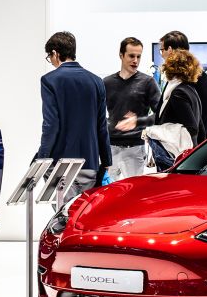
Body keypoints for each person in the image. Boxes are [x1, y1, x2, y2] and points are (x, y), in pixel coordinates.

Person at [36, 32, 112, 200]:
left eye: (50, 57)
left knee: (64, 217)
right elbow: (101, 125)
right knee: (83, 216)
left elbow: (51, 125)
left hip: (60, 163)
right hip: (90, 162)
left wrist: (41, 159)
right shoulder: (96, 81)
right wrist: (106, 160)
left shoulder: (50, 80)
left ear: (55, 53)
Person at [103, 37, 160, 182]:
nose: (135, 60)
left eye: (138, 56)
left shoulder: (148, 82)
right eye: (131, 56)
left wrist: (138, 122)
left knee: (133, 194)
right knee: (107, 194)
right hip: (110, 147)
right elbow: (95, 113)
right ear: (121, 55)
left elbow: (160, 115)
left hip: (135, 148)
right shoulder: (107, 82)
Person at [146, 50, 203, 171]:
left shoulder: (178, 92)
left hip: (176, 156)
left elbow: (192, 127)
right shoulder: (190, 90)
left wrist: (155, 131)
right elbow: (200, 126)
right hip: (186, 154)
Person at [160, 31, 207, 142]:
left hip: (191, 149)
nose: (162, 55)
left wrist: (198, 148)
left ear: (169, 50)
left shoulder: (200, 78)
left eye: (162, 50)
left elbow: (205, 117)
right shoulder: (175, 78)